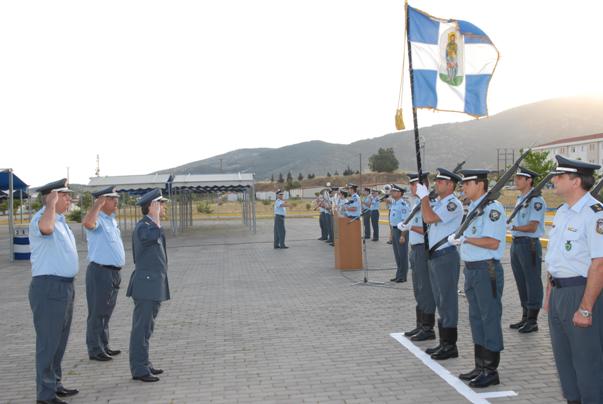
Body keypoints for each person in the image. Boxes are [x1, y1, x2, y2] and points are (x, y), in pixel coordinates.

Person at [544, 155, 603, 404]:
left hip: (581, 293)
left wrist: (586, 308)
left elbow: (599, 264)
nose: (554, 180)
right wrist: (549, 293)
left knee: (587, 363)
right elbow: (555, 258)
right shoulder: (562, 212)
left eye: (559, 176)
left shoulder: (594, 214)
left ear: (576, 181)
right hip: (558, 293)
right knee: (564, 362)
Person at [449, 169, 506, 388]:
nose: (463, 187)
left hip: (486, 270)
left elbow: (492, 242)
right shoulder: (474, 207)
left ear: (480, 185)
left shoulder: (492, 209)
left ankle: (491, 370)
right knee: (476, 318)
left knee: (489, 317)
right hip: (472, 270)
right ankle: (480, 365)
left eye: (467, 183)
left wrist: (466, 239)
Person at [28, 178, 79, 404]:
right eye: (64, 195)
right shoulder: (42, 218)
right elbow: (45, 229)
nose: (69, 199)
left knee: (59, 342)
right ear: (52, 197)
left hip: (65, 287)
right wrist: (49, 205)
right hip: (49, 287)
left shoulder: (61, 220)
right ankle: (45, 395)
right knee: (48, 343)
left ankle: (55, 383)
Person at [416, 168, 463, 359]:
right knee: (440, 300)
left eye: (441, 181)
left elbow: (428, 218)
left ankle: (450, 345)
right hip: (436, 256)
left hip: (446, 256)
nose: (437, 184)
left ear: (450, 185)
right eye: (436, 181)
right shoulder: (441, 203)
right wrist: (426, 199)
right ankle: (444, 342)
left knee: (447, 300)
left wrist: (424, 198)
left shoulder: (452, 204)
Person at [127, 189, 170, 382]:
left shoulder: (149, 225)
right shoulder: (145, 226)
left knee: (147, 328)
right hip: (146, 285)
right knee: (141, 328)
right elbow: (152, 237)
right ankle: (139, 369)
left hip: (153, 283)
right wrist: (154, 216)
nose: (163, 207)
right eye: (160, 204)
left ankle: (144, 363)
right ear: (151, 206)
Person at [83, 186, 126, 362]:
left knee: (106, 312)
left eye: (116, 198)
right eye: (111, 198)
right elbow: (88, 223)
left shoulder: (111, 220)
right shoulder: (97, 218)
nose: (116, 201)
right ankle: (95, 349)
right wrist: (97, 206)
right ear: (101, 201)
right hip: (100, 272)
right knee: (97, 312)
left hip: (113, 273)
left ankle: (104, 344)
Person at [398, 173, 436, 341]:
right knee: (418, 289)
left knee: (425, 289)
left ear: (422, 186)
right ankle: (420, 324)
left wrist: (410, 228)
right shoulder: (416, 203)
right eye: (411, 185)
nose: (411, 188)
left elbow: (429, 229)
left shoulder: (429, 204)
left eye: (414, 185)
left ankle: (428, 328)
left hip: (423, 249)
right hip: (415, 249)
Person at [508, 167, 546, 333]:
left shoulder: (536, 201)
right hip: (517, 243)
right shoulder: (521, 198)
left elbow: (532, 226)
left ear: (529, 180)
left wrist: (514, 226)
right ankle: (525, 316)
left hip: (528, 244)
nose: (516, 181)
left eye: (519, 178)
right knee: (521, 281)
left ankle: (532, 320)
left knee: (532, 281)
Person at [389, 184, 409, 282]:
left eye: (394, 191)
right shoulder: (394, 203)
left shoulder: (403, 205)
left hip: (401, 231)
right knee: (397, 255)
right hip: (394, 230)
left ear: (400, 193)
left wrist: (402, 235)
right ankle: (398, 274)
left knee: (402, 254)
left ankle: (403, 276)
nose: (392, 192)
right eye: (392, 191)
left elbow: (405, 221)